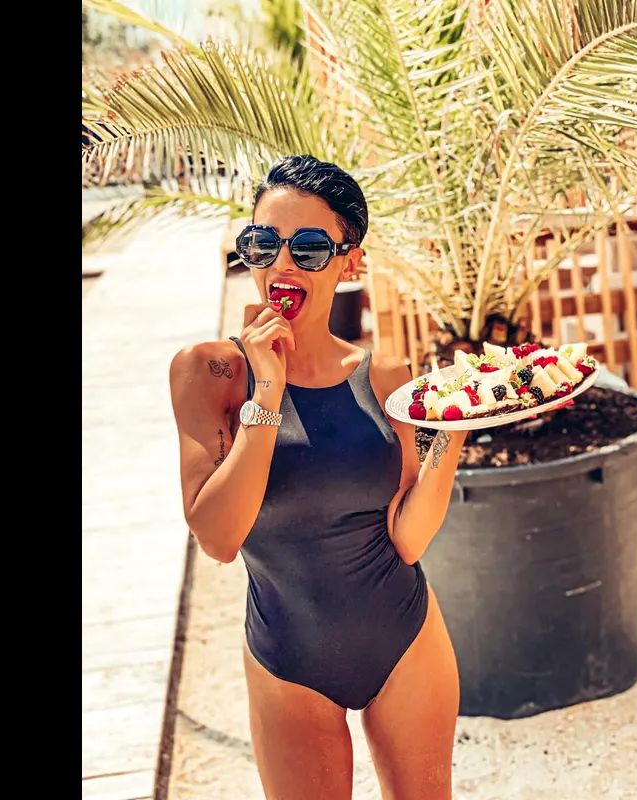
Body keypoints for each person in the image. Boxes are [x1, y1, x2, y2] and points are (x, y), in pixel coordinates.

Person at [169, 155, 465, 799]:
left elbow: (407, 538)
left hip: (406, 639)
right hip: (287, 658)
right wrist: (267, 393)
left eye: (307, 248)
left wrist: (452, 434)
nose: (282, 264)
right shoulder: (210, 372)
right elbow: (218, 538)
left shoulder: (385, 376)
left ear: (349, 262)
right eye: (263, 243)